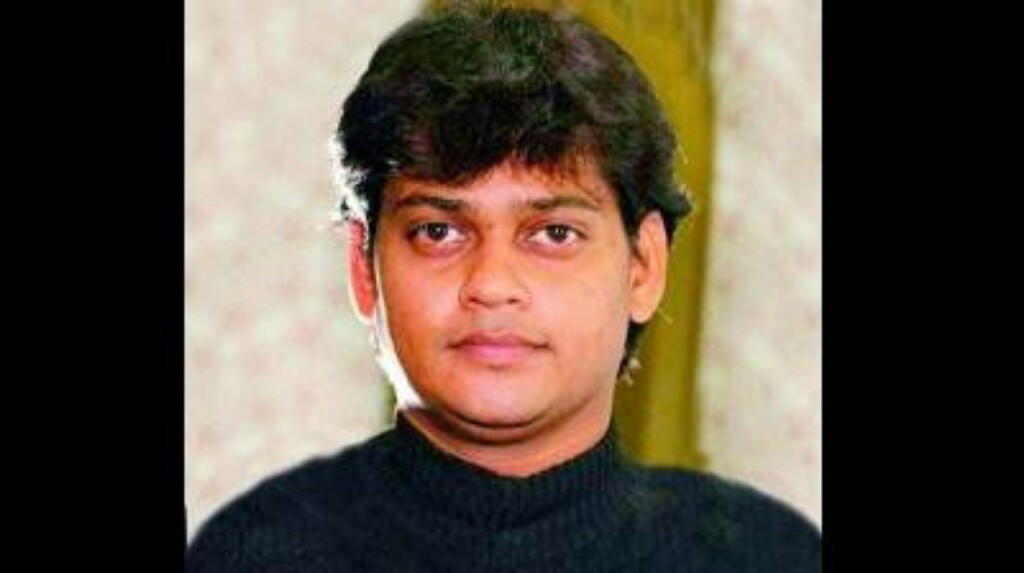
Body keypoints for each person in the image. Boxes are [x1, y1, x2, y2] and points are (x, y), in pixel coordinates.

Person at [185, 4, 821, 571]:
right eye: (438, 232)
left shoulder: (767, 557)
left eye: (553, 234)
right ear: (363, 268)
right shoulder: (255, 554)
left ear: (643, 266)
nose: (491, 285)